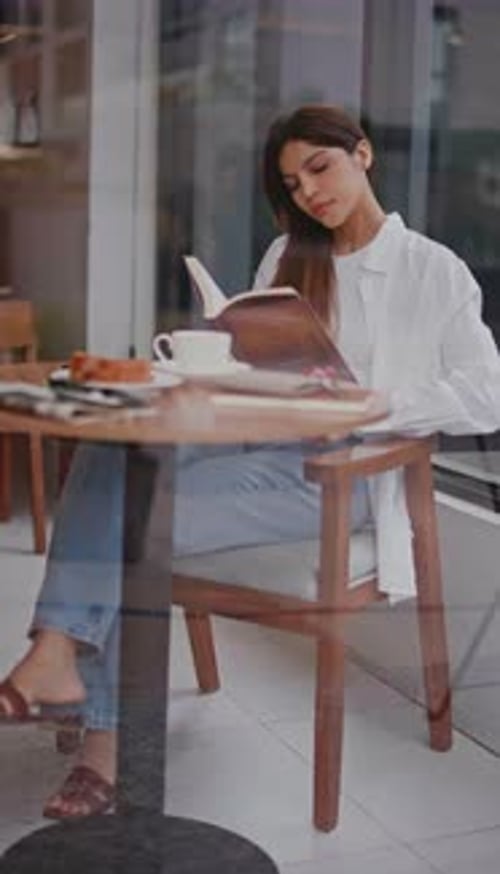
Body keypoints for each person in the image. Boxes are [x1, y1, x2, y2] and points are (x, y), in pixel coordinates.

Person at [1, 105, 499, 819]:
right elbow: (253, 366)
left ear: (362, 155)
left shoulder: (433, 270)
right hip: (260, 442)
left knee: (131, 517)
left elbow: (487, 395)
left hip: (341, 474)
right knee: (109, 451)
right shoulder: (287, 257)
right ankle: (60, 657)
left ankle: (96, 732)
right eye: (293, 184)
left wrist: (369, 403)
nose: (309, 193)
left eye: (319, 169)